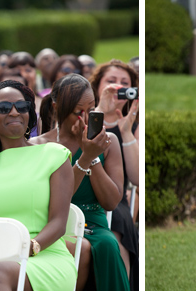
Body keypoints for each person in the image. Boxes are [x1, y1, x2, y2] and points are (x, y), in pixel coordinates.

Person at [0, 80, 76, 291]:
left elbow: (59, 222)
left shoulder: (53, 154)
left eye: (22, 107)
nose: (14, 112)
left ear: (29, 113)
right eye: (5, 108)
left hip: (44, 255)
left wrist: (28, 248)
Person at [31, 74, 131, 291]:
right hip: (53, 222)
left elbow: (112, 202)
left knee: (107, 245)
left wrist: (92, 156)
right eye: (78, 112)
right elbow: (55, 199)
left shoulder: (108, 142)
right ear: (57, 108)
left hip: (94, 223)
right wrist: (84, 158)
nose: (86, 118)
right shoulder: (37, 145)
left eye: (91, 109)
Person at [89, 59, 140, 288]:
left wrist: (126, 132)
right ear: (98, 85)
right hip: (81, 191)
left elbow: (137, 179)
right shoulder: (85, 115)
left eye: (124, 83)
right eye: (111, 82)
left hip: (115, 199)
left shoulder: (135, 121)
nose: (117, 87)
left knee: (117, 217)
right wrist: (100, 110)